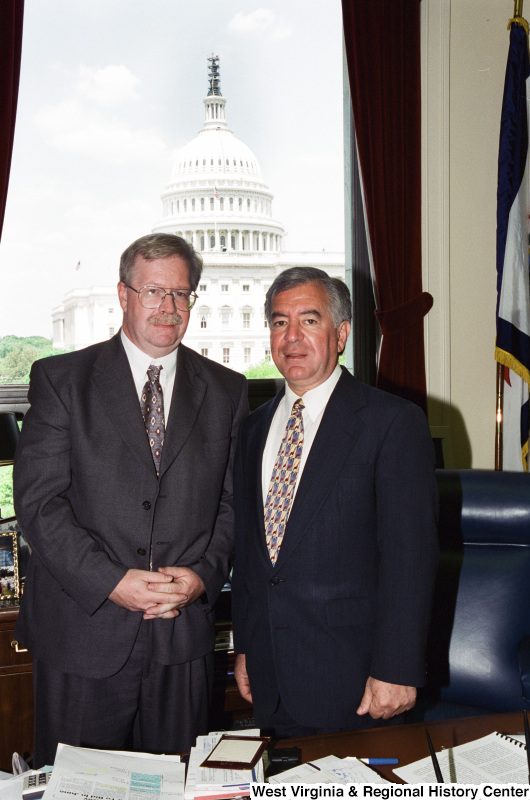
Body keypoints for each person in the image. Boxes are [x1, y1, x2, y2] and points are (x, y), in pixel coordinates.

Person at [14, 233, 248, 766]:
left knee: (177, 781)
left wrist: (201, 576)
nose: (168, 308)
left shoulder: (228, 390)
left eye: (182, 294)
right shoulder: (62, 380)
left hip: (180, 637)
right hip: (84, 635)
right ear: (123, 295)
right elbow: (38, 504)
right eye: (153, 292)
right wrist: (112, 583)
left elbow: (233, 505)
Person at [231, 266, 439, 737]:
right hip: (269, 676)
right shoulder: (252, 429)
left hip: (357, 682)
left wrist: (399, 668)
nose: (292, 337)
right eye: (280, 322)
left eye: (309, 320)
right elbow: (250, 554)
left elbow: (410, 557)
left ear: (341, 333)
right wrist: (246, 646)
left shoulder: (392, 423)